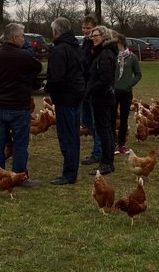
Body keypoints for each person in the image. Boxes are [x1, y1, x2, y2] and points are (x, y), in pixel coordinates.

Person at [0, 22, 44, 187]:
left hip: (0, 106)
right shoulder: (24, 56)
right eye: (22, 36)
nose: (24, 40)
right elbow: (38, 68)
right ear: (15, 37)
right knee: (20, 144)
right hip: (19, 107)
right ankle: (19, 176)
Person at [44, 17, 85, 185]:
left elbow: (56, 77)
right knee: (73, 135)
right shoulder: (77, 48)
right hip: (76, 96)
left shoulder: (60, 50)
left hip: (65, 98)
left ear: (56, 31)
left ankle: (69, 174)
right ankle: (71, 170)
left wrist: (49, 89)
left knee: (67, 137)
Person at [85, 25, 119, 175]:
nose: (93, 38)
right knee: (106, 130)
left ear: (104, 36)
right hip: (104, 97)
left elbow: (105, 79)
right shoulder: (103, 52)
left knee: (104, 131)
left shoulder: (105, 54)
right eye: (92, 36)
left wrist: (90, 90)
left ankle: (105, 163)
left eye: (96, 35)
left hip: (102, 98)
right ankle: (108, 162)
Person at [78, 15, 105, 165]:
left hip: (93, 88)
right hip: (84, 87)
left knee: (96, 121)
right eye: (84, 27)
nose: (86, 30)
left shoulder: (97, 45)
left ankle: (98, 152)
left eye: (89, 28)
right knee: (86, 119)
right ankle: (100, 146)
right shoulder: (84, 43)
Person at [112, 31, 142, 154]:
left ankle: (122, 145)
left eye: (117, 43)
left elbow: (138, 74)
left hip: (126, 92)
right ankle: (112, 143)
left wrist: (129, 84)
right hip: (112, 92)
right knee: (111, 118)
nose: (115, 45)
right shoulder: (111, 56)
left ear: (122, 43)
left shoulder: (132, 57)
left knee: (124, 119)